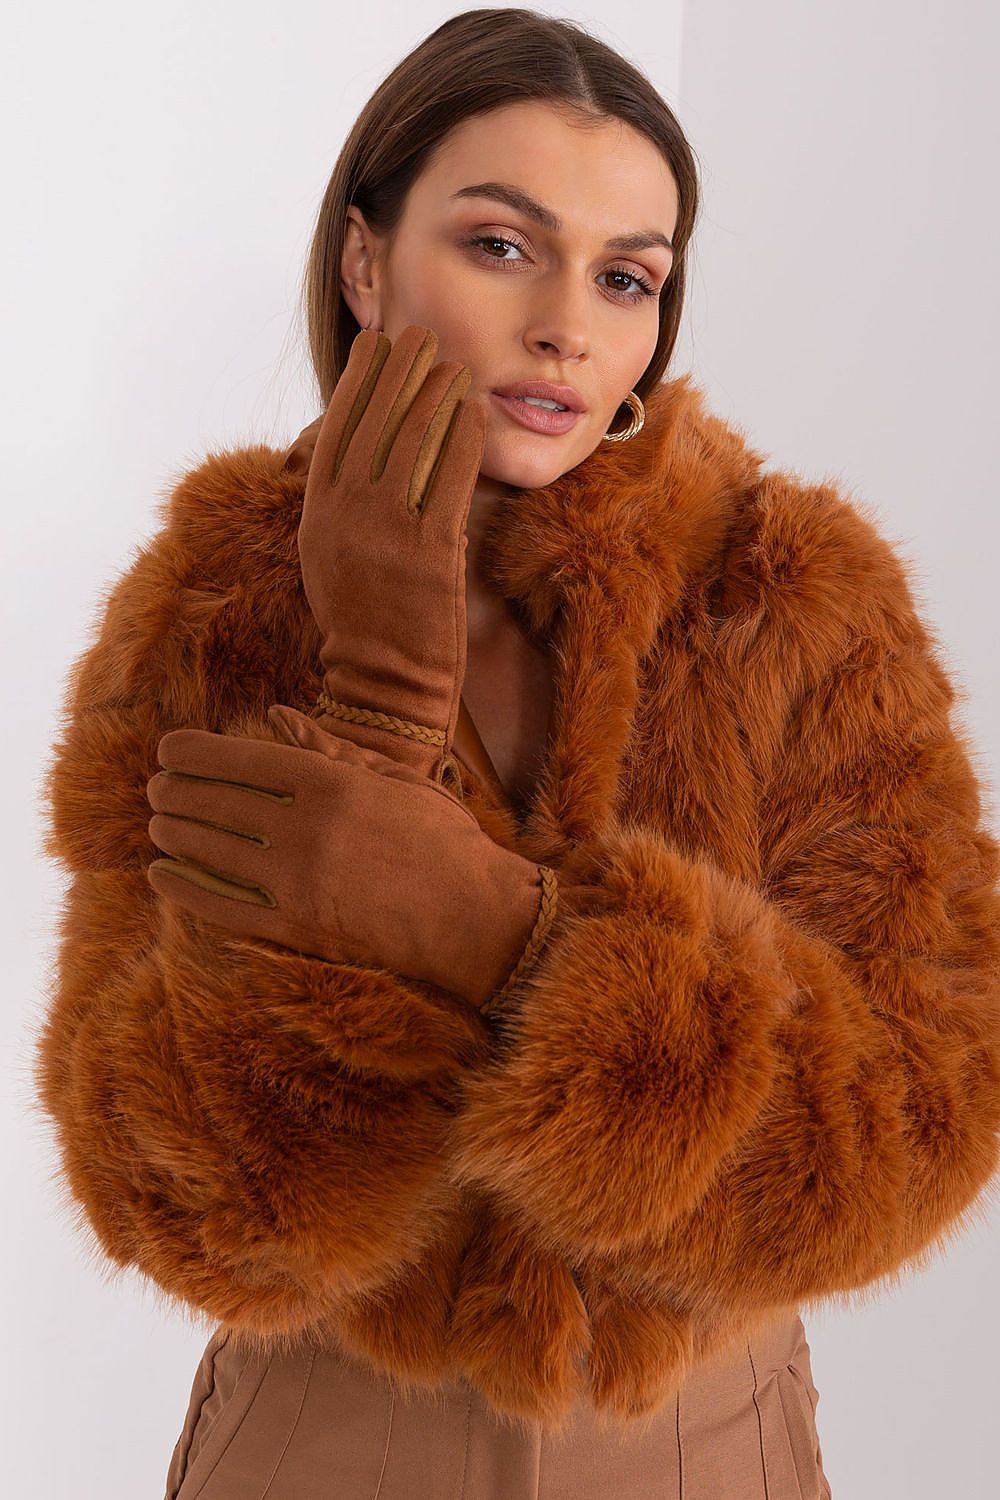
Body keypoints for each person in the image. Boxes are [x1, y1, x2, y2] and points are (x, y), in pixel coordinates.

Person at [31, 9, 999, 1499]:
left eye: (626, 277)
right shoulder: (217, 604)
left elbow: (923, 1125)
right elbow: (171, 1201)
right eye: (500, 245)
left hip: (699, 1442)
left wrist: (504, 939)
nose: (567, 326)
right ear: (365, 264)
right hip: (320, 1437)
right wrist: (375, 704)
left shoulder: (787, 595)